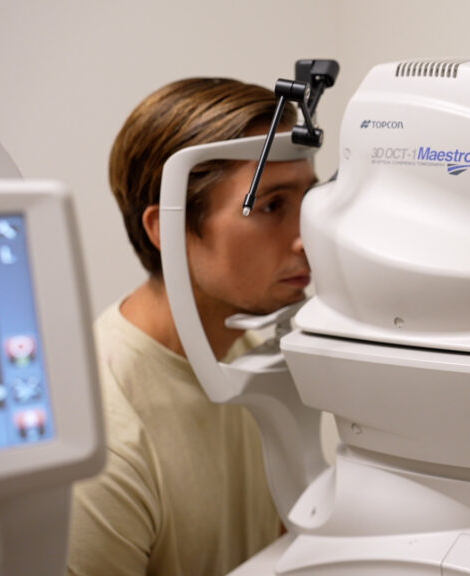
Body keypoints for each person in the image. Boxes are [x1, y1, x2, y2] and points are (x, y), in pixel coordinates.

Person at [67, 78, 317, 576]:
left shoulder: (256, 352)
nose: (306, 239)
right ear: (167, 229)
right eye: (271, 207)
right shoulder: (102, 441)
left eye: (308, 202)